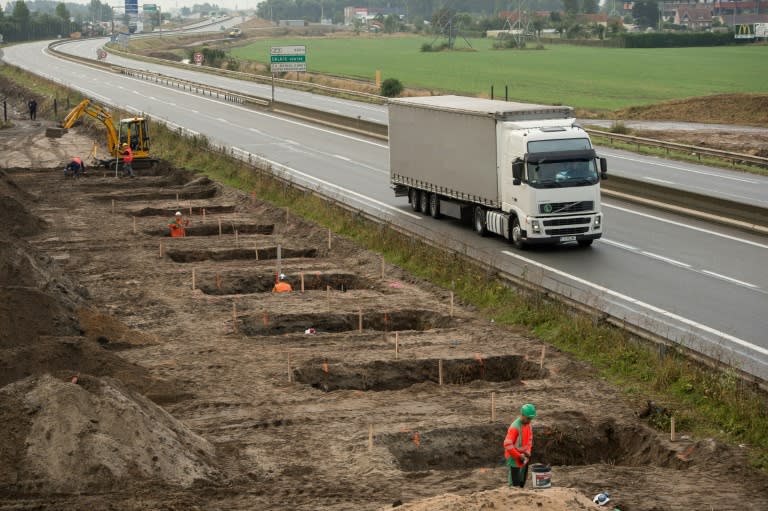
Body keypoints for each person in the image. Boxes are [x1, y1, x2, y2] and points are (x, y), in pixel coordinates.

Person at [503, 403, 536, 488]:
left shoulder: (528, 425)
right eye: (528, 418)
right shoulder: (515, 427)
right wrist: (518, 456)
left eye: (531, 418)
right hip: (513, 457)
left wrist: (528, 451)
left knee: (522, 481)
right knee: (514, 484)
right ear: (522, 415)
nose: (530, 420)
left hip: (523, 455)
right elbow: (507, 444)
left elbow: (530, 439)